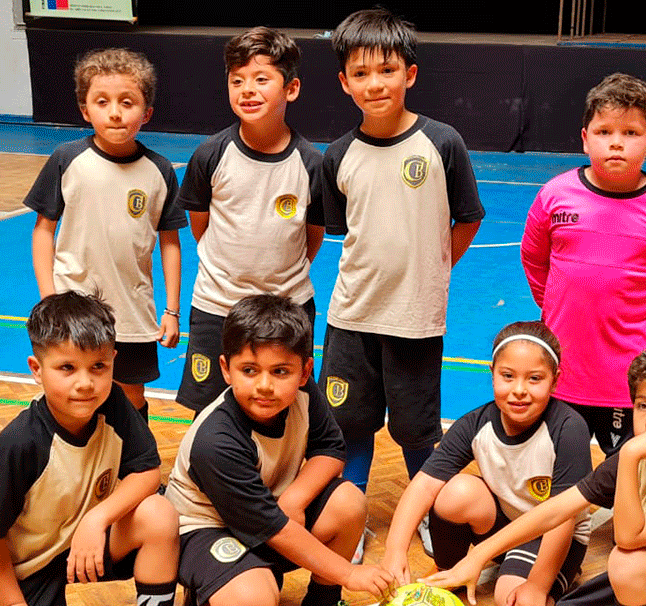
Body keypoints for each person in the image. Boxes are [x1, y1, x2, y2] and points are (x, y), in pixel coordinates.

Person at [423, 342, 646, 606]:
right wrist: (477, 557)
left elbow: (628, 538)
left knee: (624, 560)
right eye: (643, 405)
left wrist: (630, 455)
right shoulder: (634, 454)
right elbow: (556, 510)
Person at [321, 7, 485, 560]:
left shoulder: (442, 143)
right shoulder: (338, 155)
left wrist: (435, 270)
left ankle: (430, 514)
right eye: (361, 74)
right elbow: (346, 232)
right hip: (351, 319)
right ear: (344, 83)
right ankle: (351, 518)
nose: (375, 83)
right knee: (348, 428)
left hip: (415, 319)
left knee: (417, 430)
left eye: (386, 70)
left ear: (409, 74)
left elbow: (467, 218)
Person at [164, 295, 394, 606]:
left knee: (349, 503)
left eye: (281, 371)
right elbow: (271, 527)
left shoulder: (304, 393)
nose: (265, 385)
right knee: (250, 604)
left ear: (304, 372)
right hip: (205, 530)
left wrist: (295, 498)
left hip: (270, 513)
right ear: (226, 369)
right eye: (249, 370)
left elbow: (330, 449)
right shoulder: (216, 441)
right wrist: (348, 573)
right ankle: (205, 603)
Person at [0, 291, 179, 606]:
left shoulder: (114, 406)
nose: (85, 383)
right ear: (36, 369)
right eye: (67, 367)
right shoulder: (18, 443)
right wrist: (10, 605)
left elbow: (148, 472)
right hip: (24, 571)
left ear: (113, 360)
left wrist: (96, 521)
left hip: (85, 545)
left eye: (98, 366)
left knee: (159, 513)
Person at [521, 73, 646, 456]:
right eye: (604, 131)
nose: (616, 142)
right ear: (585, 138)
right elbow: (534, 258)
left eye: (631, 133)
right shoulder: (555, 195)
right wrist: (552, 305)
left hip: (629, 375)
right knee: (559, 467)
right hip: (566, 367)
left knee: (628, 471)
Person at [381, 321, 593, 606]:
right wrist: (395, 550)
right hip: (503, 526)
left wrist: (537, 587)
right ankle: (450, 570)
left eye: (534, 379)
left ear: (555, 381)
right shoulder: (474, 424)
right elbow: (423, 486)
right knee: (455, 492)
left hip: (555, 536)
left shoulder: (569, 429)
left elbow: (562, 518)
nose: (519, 390)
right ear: (492, 372)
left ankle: (558, 584)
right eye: (508, 376)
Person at [174, 27, 324, 418]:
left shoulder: (310, 164)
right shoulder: (211, 154)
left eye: (261, 79)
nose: (247, 90)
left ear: (291, 89)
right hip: (217, 305)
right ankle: (210, 472)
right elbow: (200, 225)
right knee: (208, 410)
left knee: (288, 404)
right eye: (237, 80)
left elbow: (313, 235)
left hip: (289, 306)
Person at [27, 48, 184, 421]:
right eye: (102, 101)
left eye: (127, 102)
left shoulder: (160, 171)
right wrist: (50, 299)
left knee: (131, 394)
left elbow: (170, 244)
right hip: (72, 307)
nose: (115, 112)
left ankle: (135, 466)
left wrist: (172, 310)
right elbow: (43, 232)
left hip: (132, 312)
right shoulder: (67, 160)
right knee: (73, 391)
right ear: (85, 110)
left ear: (146, 113)